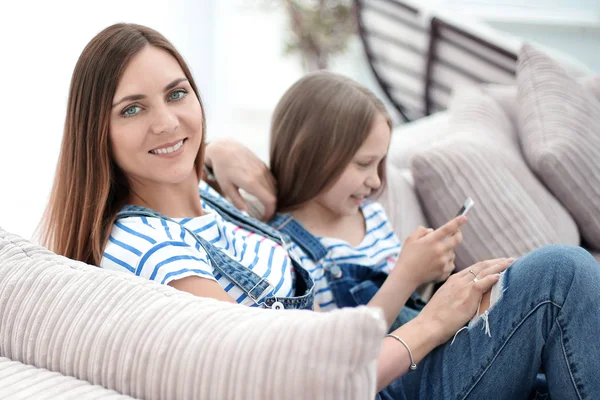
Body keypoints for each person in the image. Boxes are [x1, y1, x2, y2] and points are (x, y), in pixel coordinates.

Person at [39, 23, 600, 398]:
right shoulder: (147, 244)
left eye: (177, 93)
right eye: (132, 109)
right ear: (98, 133)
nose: (166, 122)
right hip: (371, 383)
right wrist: (433, 321)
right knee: (559, 275)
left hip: (387, 353)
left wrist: (215, 153)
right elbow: (269, 376)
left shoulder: (206, 196)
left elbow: (189, 153)